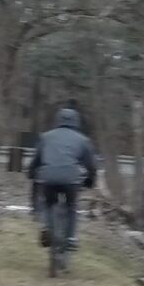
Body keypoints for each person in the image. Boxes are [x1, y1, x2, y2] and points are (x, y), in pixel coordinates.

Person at [25, 104, 98, 260]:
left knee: (47, 202)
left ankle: (46, 226)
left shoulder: (46, 137)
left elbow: (36, 160)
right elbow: (91, 165)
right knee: (71, 206)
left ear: (57, 120)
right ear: (76, 121)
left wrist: (31, 173)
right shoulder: (83, 140)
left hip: (48, 177)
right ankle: (70, 238)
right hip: (71, 180)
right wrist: (90, 180)